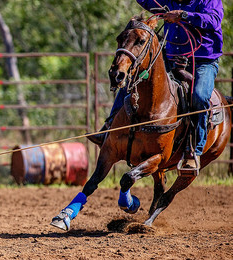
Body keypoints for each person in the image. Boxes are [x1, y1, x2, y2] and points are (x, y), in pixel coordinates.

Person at [88, 0, 223, 171]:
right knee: (132, 81)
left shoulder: (209, 1)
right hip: (171, 56)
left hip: (203, 60)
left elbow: (214, 20)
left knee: (199, 96)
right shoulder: (168, 1)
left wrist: (183, 15)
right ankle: (108, 128)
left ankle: (194, 150)